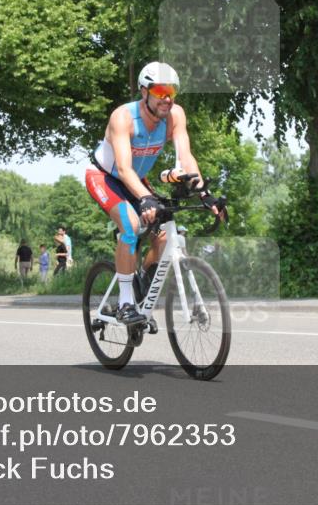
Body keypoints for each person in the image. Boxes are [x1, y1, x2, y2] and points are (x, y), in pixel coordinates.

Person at [85, 61, 225, 324]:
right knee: (131, 225)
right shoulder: (123, 117)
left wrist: (205, 194)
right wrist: (146, 198)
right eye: (160, 91)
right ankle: (126, 302)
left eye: (172, 91)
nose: (167, 98)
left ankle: (143, 294)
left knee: (163, 235)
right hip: (105, 177)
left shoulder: (176, 116)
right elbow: (124, 169)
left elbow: (186, 158)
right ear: (144, 91)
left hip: (136, 180)